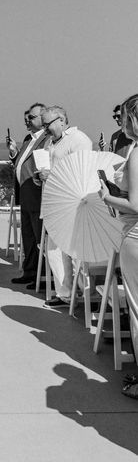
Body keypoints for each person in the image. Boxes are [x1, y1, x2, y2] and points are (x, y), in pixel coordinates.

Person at [98, 95, 138, 398]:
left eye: (123, 117)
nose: (120, 122)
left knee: (136, 311)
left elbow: (135, 204)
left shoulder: (137, 153)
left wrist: (106, 195)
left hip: (135, 236)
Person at [37, 106, 92, 308]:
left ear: (61, 120)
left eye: (47, 124)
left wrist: (51, 176)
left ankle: (87, 294)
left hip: (72, 203)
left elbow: (81, 171)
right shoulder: (51, 141)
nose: (45, 129)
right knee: (54, 250)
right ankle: (65, 294)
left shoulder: (79, 140)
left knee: (75, 251)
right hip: (53, 202)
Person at [7, 103, 49, 287]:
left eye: (31, 117)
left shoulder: (46, 139)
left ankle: (42, 275)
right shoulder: (28, 140)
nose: (27, 120)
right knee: (28, 236)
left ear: (43, 118)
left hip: (37, 194)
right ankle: (30, 270)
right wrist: (14, 155)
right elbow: (22, 163)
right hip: (25, 194)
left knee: (39, 237)